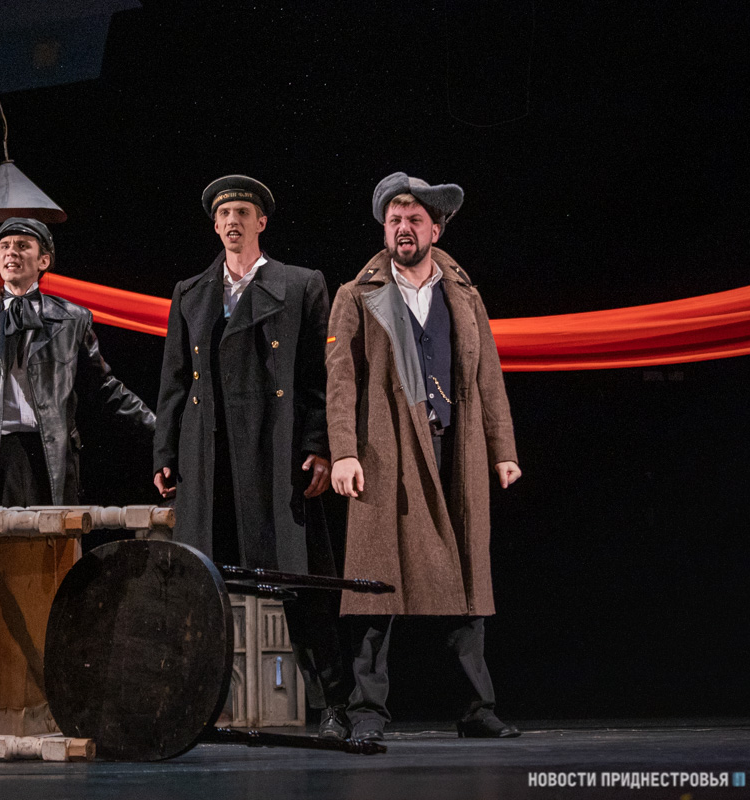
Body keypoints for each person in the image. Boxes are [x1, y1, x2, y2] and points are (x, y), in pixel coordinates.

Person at [325, 172, 523, 742]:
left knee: (467, 579)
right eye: (394, 220)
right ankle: (367, 711)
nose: (403, 228)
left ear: (435, 229)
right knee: (375, 581)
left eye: (414, 219)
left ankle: (477, 708)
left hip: (455, 447)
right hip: (385, 453)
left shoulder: (464, 294)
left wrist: (502, 449)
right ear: (384, 230)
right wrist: (343, 452)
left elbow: (488, 376)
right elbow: (341, 381)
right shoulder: (355, 294)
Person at [153, 175, 352, 740]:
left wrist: (319, 446)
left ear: (261, 222)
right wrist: (165, 449)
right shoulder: (191, 291)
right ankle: (194, 709)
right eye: (224, 214)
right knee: (201, 587)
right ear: (215, 226)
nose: (232, 221)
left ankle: (332, 705)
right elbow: (174, 380)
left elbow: (318, 377)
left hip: (277, 452)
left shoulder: (301, 283)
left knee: (300, 581)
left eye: (242, 212)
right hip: (209, 455)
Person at [0, 217, 155, 505]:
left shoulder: (72, 320)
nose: (11, 252)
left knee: (54, 534)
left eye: (23, 246)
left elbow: (105, 388)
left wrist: (159, 429)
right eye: (4, 246)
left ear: (43, 261)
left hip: (50, 458)